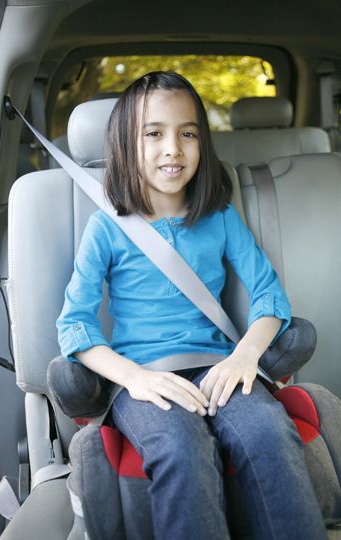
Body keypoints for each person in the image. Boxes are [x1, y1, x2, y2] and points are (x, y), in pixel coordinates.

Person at [56, 71, 326, 540]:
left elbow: (269, 295)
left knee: (268, 432)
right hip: (145, 376)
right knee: (180, 448)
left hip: (218, 365)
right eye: (154, 134)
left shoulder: (219, 216)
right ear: (126, 144)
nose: (173, 149)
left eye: (188, 133)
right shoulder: (107, 228)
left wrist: (245, 355)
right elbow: (75, 326)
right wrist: (134, 378)